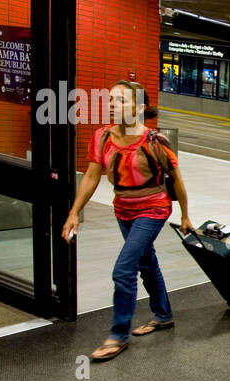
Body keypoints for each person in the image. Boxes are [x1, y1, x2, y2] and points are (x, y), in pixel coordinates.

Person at [62, 80, 191, 361]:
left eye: (120, 100)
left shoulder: (155, 141)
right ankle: (163, 315)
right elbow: (92, 177)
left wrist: (185, 215)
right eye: (110, 100)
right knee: (146, 262)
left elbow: (176, 180)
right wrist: (74, 212)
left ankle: (118, 335)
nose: (112, 105)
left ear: (140, 107)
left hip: (154, 208)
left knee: (123, 270)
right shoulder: (102, 137)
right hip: (123, 209)